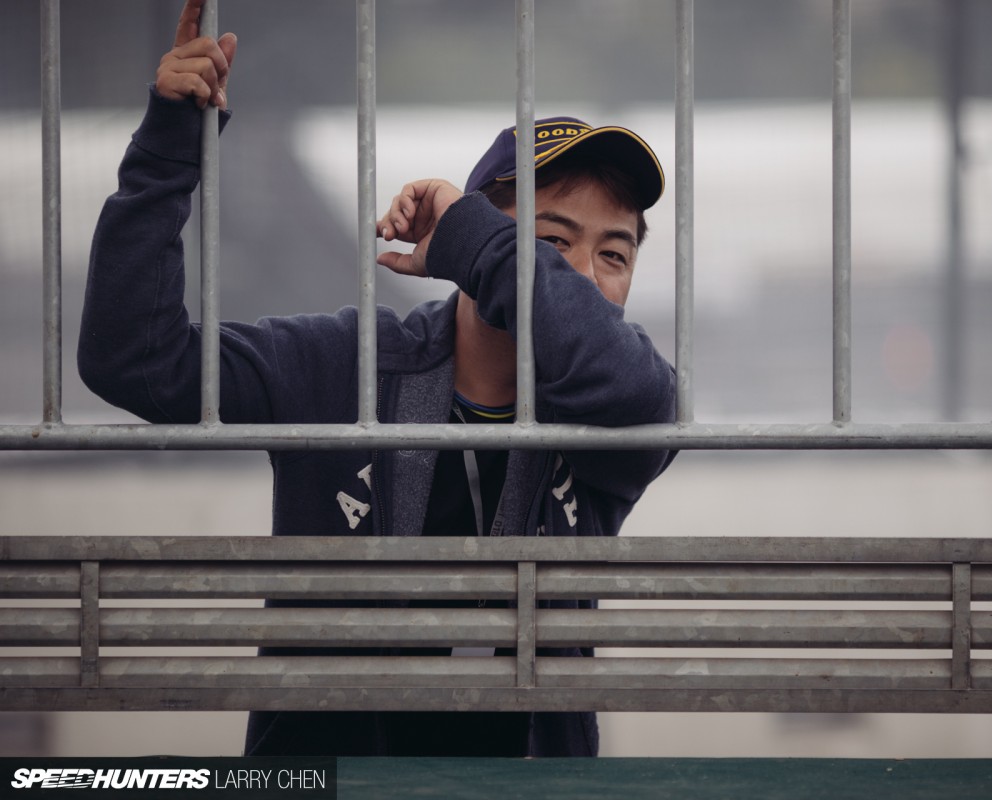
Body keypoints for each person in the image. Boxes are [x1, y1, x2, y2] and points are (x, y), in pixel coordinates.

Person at [78, 0, 676, 757]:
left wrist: (475, 240)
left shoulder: (624, 407)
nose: (588, 277)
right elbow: (131, 356)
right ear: (485, 245)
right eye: (552, 241)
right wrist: (167, 149)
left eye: (615, 255)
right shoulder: (346, 365)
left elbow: (628, 380)